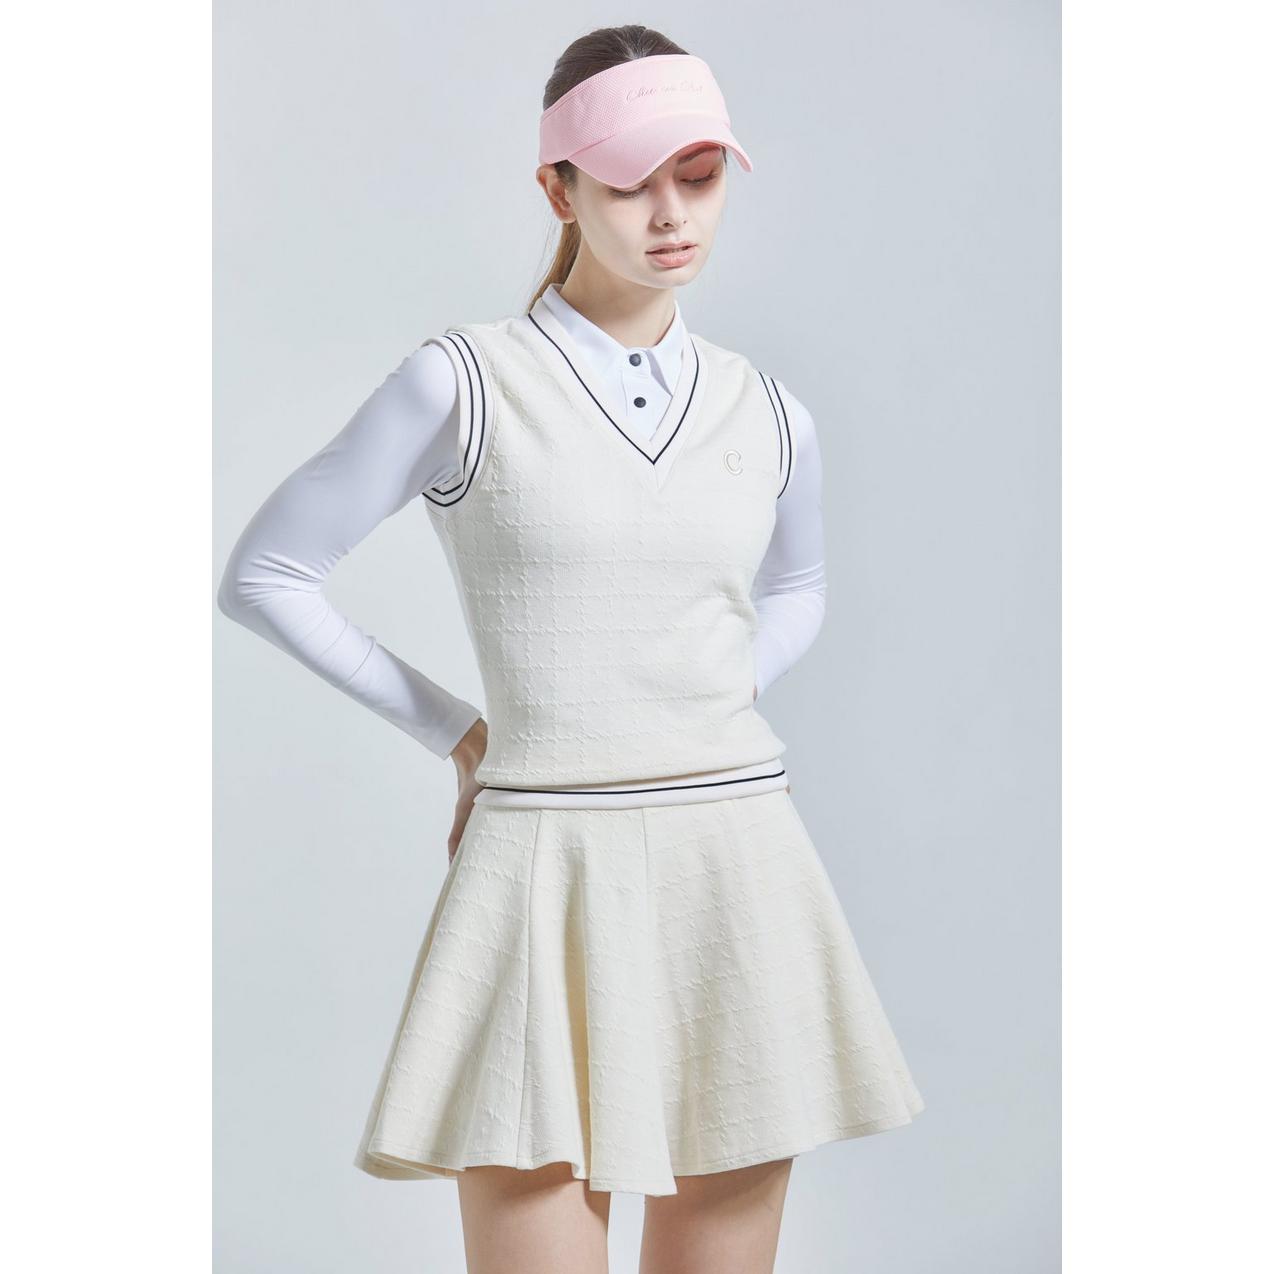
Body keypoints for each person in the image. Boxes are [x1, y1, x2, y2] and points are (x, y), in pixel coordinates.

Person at [217, 24, 924, 1274]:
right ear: (557, 188)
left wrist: (708, 687)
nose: (670, 213)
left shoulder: (769, 409)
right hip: (539, 861)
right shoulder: (464, 381)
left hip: (734, 860)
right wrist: (459, 730)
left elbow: (800, 585)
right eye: (629, 180)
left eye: (697, 176)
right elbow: (267, 574)